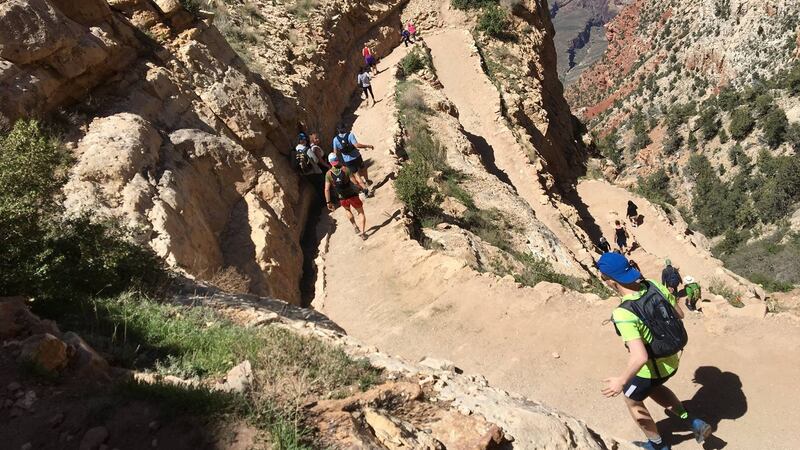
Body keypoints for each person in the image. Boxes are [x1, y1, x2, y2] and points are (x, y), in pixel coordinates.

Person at [598, 252, 712, 450]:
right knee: (655, 387)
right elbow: (680, 314)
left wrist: (621, 381)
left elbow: (640, 356)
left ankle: (657, 445)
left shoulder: (623, 313)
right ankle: (694, 422)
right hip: (671, 361)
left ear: (609, 280)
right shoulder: (653, 285)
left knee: (632, 399)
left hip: (650, 368)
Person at [325, 153, 368, 240]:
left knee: (347, 210)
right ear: (338, 160)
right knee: (360, 212)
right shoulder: (345, 169)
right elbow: (355, 182)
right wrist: (362, 188)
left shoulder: (328, 174)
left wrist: (328, 202)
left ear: (330, 162)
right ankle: (363, 233)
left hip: (342, 197)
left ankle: (355, 226)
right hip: (352, 195)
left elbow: (326, 189)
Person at [332, 123, 374, 195]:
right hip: (356, 156)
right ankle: (366, 180)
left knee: (356, 174)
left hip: (348, 160)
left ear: (338, 130)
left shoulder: (335, 140)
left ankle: (365, 188)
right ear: (344, 128)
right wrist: (368, 146)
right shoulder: (350, 135)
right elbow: (356, 145)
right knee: (363, 168)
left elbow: (335, 153)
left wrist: (335, 164)